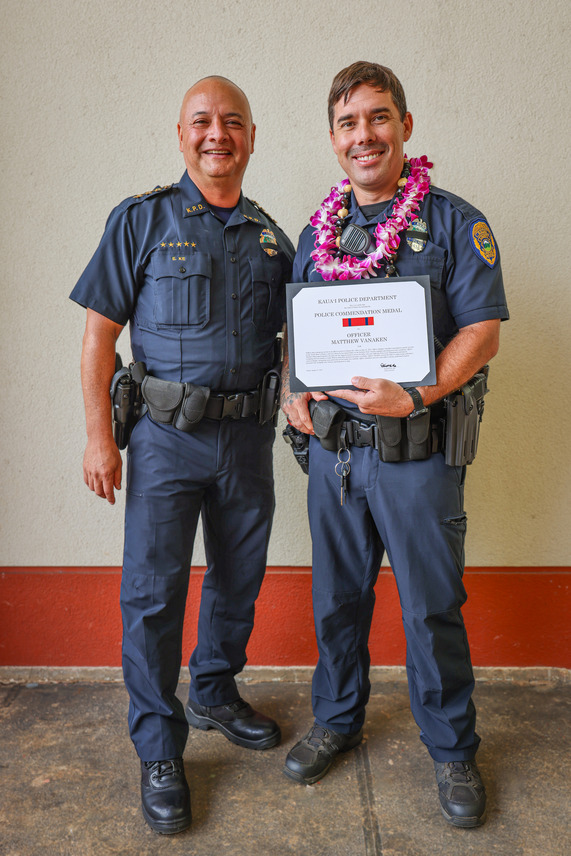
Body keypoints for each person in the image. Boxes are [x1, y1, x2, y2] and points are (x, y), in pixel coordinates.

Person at [280, 61, 508, 828]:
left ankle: (451, 749)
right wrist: (292, 391)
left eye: (378, 117)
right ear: (333, 138)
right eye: (348, 122)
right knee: (336, 602)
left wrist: (413, 394)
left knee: (430, 609)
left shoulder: (454, 223)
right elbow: (300, 330)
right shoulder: (316, 233)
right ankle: (336, 720)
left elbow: (481, 332)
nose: (364, 135)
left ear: (404, 126)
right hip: (336, 459)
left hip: (417, 454)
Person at [70, 76, 294, 835]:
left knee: (238, 580)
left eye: (232, 121)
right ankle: (160, 748)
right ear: (180, 133)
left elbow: (300, 340)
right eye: (202, 121)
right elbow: (99, 335)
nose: (216, 134)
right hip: (166, 441)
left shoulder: (274, 238)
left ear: (252, 137)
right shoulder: (141, 220)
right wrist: (100, 437)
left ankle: (214, 692)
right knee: (153, 594)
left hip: (247, 441)